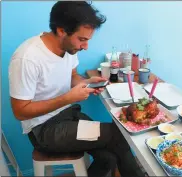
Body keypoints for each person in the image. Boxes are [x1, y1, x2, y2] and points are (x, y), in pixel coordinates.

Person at [8, 1, 145, 177]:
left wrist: (87, 82)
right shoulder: (27, 58)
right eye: (82, 39)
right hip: (44, 130)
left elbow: (72, 76)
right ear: (61, 30)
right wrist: (68, 98)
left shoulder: (68, 48)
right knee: (119, 135)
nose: (85, 46)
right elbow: (20, 111)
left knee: (108, 158)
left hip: (69, 115)